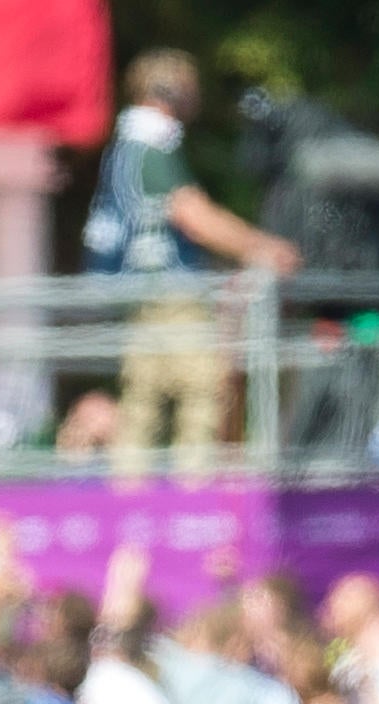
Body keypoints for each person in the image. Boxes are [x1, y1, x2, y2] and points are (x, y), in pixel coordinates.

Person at [83, 49, 297, 481]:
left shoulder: (125, 147)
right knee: (203, 392)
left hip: (141, 293)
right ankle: (191, 502)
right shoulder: (151, 145)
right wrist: (261, 247)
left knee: (143, 401)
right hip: (169, 294)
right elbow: (193, 216)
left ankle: (132, 506)